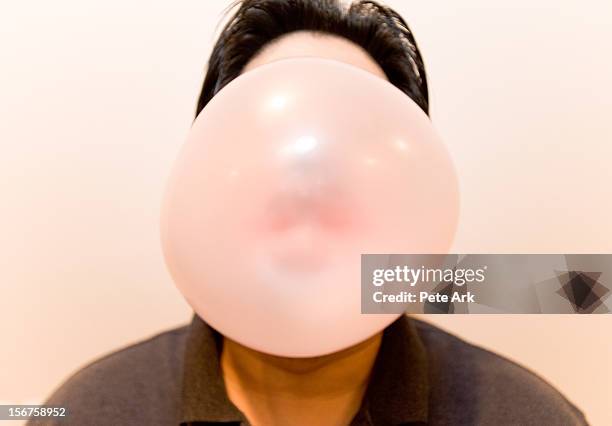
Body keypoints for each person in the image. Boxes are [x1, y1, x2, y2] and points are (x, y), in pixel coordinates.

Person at [36, 1, 587, 425]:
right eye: (273, 133)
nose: (309, 172)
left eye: (349, 138)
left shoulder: (528, 414)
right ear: (208, 168)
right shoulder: (88, 410)